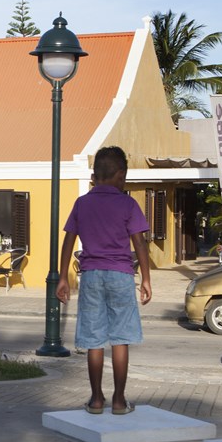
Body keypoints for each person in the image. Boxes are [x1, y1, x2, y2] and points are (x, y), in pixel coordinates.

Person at [55, 146, 152, 416]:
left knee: (94, 340)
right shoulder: (128, 204)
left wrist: (63, 278)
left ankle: (96, 399)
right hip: (121, 275)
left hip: (91, 276)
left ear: (95, 175)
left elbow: (68, 241)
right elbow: (139, 244)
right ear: (120, 175)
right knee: (120, 339)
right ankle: (119, 401)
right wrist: (146, 278)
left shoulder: (82, 203)